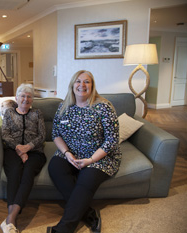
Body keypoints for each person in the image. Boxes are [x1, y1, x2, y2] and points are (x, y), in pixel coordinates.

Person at [47, 70, 121, 233]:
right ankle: (89, 214)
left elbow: (112, 140)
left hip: (99, 157)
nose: (82, 85)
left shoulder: (103, 107)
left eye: (87, 82)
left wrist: (91, 160)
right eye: (78, 81)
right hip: (70, 153)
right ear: (72, 85)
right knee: (55, 167)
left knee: (85, 180)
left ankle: (63, 229)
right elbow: (56, 134)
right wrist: (67, 154)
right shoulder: (64, 106)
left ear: (92, 86)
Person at [0, 83, 46, 233]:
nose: (26, 99)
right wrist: (19, 149)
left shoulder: (37, 113)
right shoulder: (9, 113)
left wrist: (28, 148)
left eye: (29, 96)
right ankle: (11, 218)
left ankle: (10, 218)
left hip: (35, 151)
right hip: (13, 150)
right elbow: (5, 134)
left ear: (32, 99)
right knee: (14, 172)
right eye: (22, 96)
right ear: (16, 97)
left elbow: (42, 136)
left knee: (28, 173)